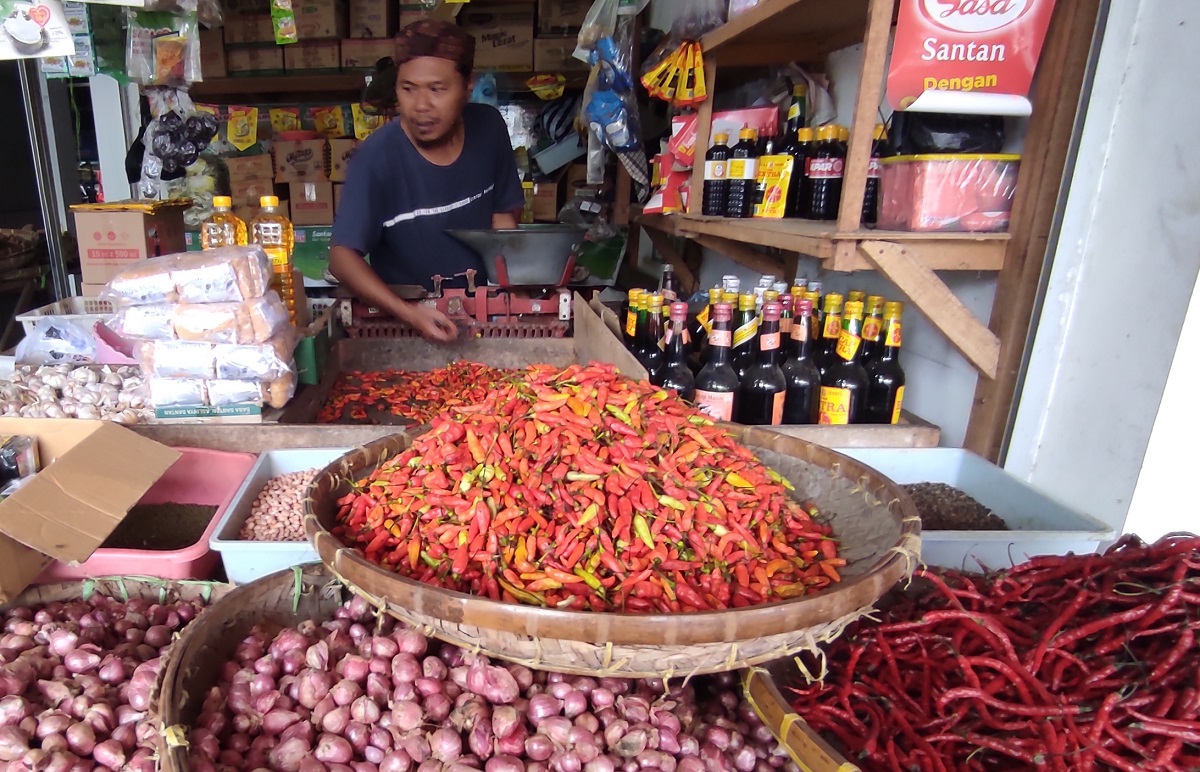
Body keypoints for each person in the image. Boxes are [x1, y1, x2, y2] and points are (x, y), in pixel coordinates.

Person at [330, 20, 524, 343]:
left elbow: (502, 217)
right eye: (408, 89)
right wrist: (409, 313)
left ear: (467, 86)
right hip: (403, 330)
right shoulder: (375, 159)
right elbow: (341, 258)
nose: (421, 106)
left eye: (437, 89)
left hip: (483, 321)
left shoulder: (489, 128)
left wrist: (511, 297)